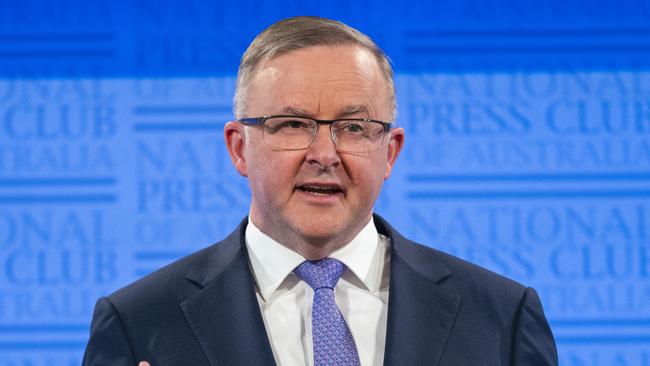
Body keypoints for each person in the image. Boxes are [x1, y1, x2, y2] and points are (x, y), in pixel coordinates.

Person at [83, 16, 558, 365]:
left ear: (390, 152)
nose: (324, 153)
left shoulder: (502, 317)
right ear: (239, 148)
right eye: (292, 124)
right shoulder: (138, 324)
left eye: (353, 127)